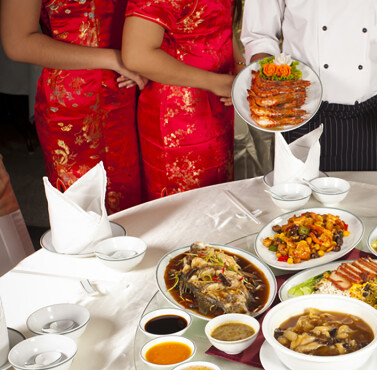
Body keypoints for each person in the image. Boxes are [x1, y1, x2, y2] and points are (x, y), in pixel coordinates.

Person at [0, 0, 145, 213]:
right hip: (73, 106)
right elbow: (18, 43)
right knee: (85, 214)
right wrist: (114, 59)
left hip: (134, 92)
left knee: (138, 207)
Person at [241, 0, 377, 172]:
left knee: (370, 196)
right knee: (301, 195)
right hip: (304, 114)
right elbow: (259, 36)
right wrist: (268, 86)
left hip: (372, 122)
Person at [121, 0, 235, 199]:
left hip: (219, 100)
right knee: (184, 206)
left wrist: (240, 65)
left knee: (218, 198)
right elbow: (136, 55)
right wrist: (216, 82)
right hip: (178, 114)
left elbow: (221, 24)